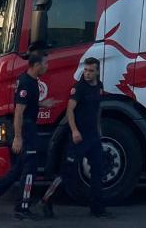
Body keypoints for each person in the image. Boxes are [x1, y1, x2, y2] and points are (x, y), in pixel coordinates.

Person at [40, 56, 113, 219]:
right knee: (67, 172)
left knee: (98, 170)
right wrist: (74, 131)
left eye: (91, 71)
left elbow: (97, 109)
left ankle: (97, 208)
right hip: (79, 137)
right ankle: (46, 200)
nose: (87, 74)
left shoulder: (99, 86)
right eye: (85, 70)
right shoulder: (79, 88)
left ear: (97, 72)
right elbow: (70, 110)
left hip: (93, 137)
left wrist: (99, 130)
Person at [0, 51, 49, 220]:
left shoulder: (31, 81)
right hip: (26, 129)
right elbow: (19, 112)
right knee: (30, 169)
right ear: (36, 65)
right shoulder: (26, 84)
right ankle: (22, 207)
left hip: (27, 127)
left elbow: (28, 104)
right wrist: (18, 137)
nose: (47, 67)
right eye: (45, 64)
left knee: (18, 169)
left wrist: (42, 104)